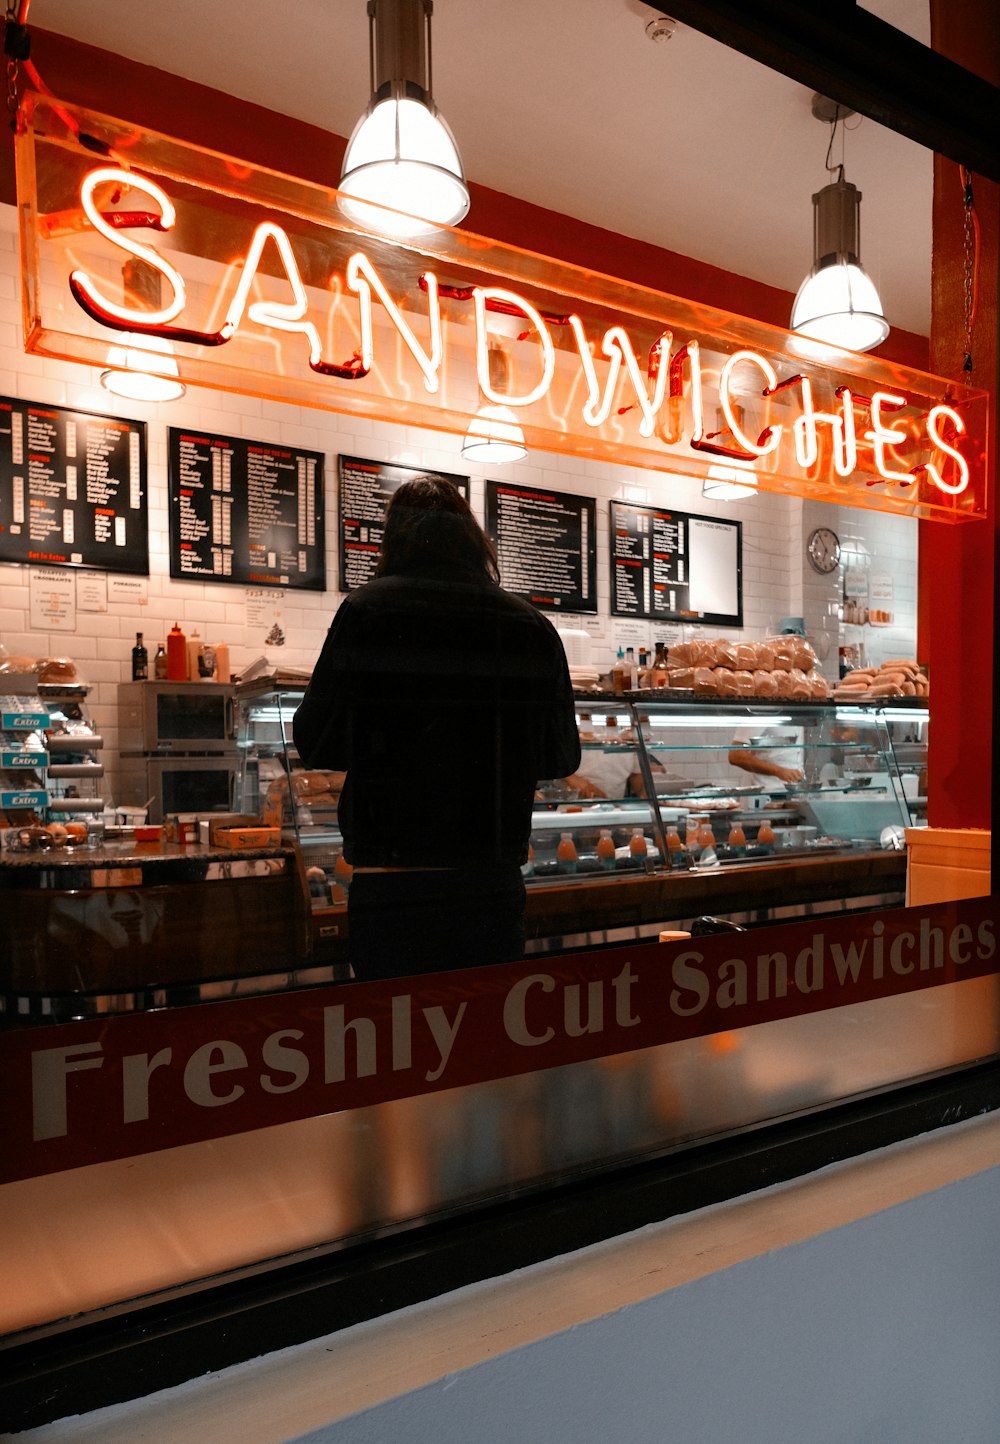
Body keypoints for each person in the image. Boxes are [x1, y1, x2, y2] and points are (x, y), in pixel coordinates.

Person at [293, 477, 581, 980]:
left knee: (396, 1041)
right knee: (488, 1037)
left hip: (392, 883)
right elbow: (561, 757)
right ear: (473, 538)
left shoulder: (366, 611)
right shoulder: (530, 625)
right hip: (491, 882)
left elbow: (316, 741)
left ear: (392, 538)